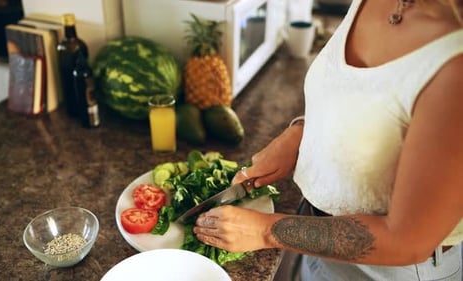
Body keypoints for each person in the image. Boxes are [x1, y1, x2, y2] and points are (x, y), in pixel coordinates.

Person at [193, 0, 463, 280]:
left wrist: (265, 230)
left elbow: (408, 240)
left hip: (386, 271)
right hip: (314, 231)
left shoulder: (456, 63)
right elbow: (371, 96)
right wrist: (301, 133)